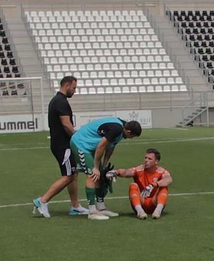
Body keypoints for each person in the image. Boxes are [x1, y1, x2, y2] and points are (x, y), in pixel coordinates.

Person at [32, 76, 90, 219]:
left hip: (61, 145)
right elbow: (66, 124)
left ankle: (75, 206)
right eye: (74, 88)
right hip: (63, 146)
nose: (74, 91)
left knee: (73, 174)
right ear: (66, 85)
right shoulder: (60, 102)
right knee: (69, 176)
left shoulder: (58, 100)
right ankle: (42, 200)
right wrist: (77, 139)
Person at [69, 116, 143, 220]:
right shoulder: (117, 129)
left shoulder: (123, 130)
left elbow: (111, 146)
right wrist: (95, 167)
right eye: (133, 136)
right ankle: (92, 211)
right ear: (129, 131)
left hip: (91, 147)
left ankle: (101, 208)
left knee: (100, 175)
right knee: (92, 175)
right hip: (81, 144)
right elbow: (101, 146)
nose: (132, 138)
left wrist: (104, 165)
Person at [108, 147, 172, 220]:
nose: (146, 160)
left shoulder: (162, 171)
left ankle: (158, 211)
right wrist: (117, 172)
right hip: (142, 201)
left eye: (149, 159)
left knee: (164, 186)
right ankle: (140, 212)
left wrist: (153, 185)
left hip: (155, 202)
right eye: (145, 158)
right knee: (133, 185)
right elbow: (127, 172)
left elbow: (168, 179)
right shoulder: (139, 169)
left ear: (156, 161)